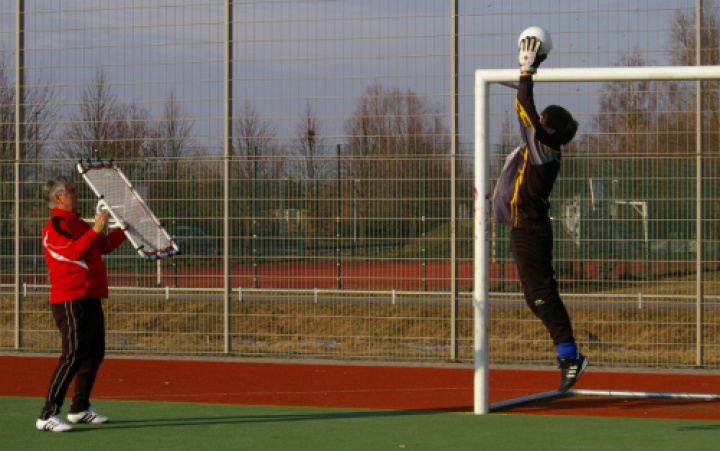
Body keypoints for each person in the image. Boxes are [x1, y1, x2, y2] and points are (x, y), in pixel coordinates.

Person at [493, 36, 587, 393]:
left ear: (547, 128)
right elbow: (525, 104)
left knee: (541, 296)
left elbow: (523, 107)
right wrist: (524, 79)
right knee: (536, 297)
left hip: (530, 230)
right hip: (523, 228)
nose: (537, 119)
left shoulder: (545, 148)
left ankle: (570, 356)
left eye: (542, 118)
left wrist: (527, 69)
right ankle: (568, 354)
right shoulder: (539, 146)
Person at [36, 176, 126, 432]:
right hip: (70, 300)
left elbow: (104, 245)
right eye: (72, 192)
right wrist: (96, 229)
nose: (77, 196)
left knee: (94, 354)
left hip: (90, 298)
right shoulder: (54, 227)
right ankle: (47, 414)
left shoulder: (79, 223)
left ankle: (80, 408)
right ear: (58, 198)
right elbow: (73, 251)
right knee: (72, 356)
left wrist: (126, 227)